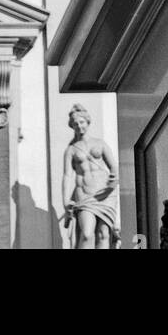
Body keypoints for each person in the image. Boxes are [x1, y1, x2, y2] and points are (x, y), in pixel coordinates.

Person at [61, 104, 118, 249]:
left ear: (87, 122)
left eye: (81, 122)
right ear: (72, 126)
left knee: (104, 234)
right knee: (86, 233)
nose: (79, 126)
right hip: (84, 195)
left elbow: (114, 167)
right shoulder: (71, 150)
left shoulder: (100, 143)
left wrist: (113, 181)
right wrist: (66, 201)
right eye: (75, 124)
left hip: (105, 194)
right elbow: (67, 176)